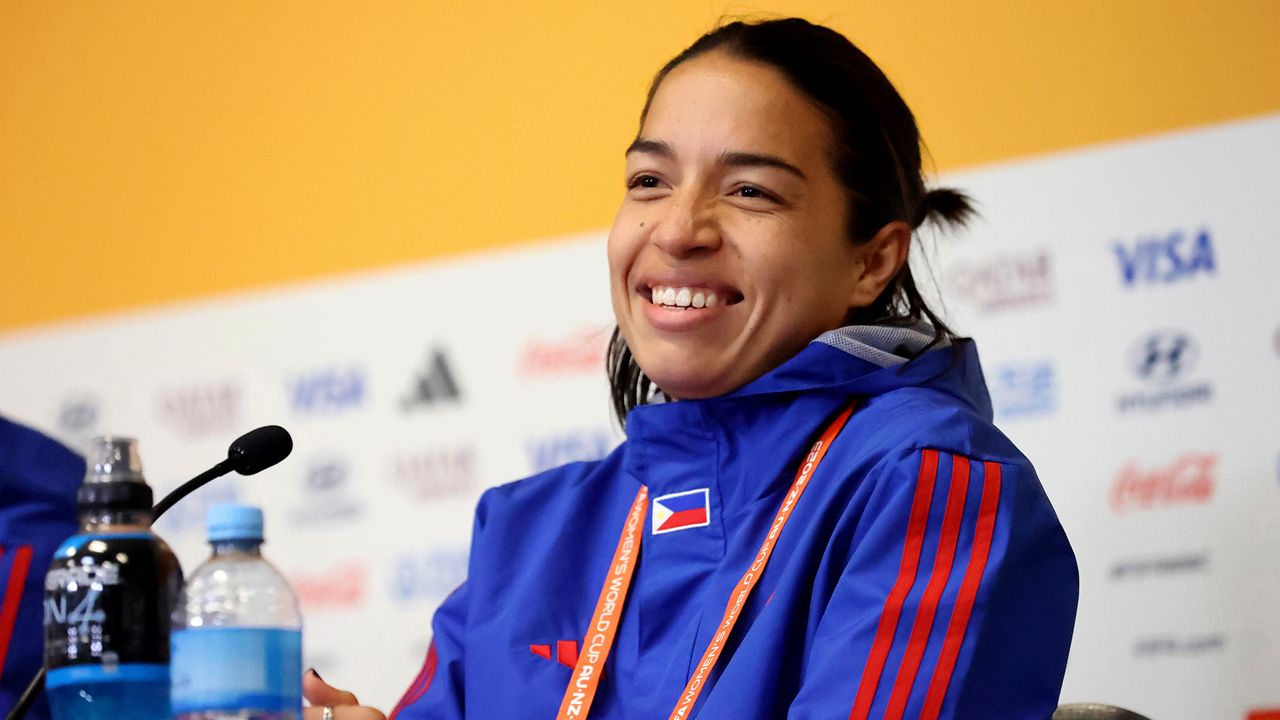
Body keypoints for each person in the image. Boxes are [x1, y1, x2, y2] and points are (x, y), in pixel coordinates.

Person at [303, 17, 1078, 720]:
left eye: (750, 191)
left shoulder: (930, 485)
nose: (678, 228)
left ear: (872, 260)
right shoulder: (528, 533)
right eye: (649, 180)